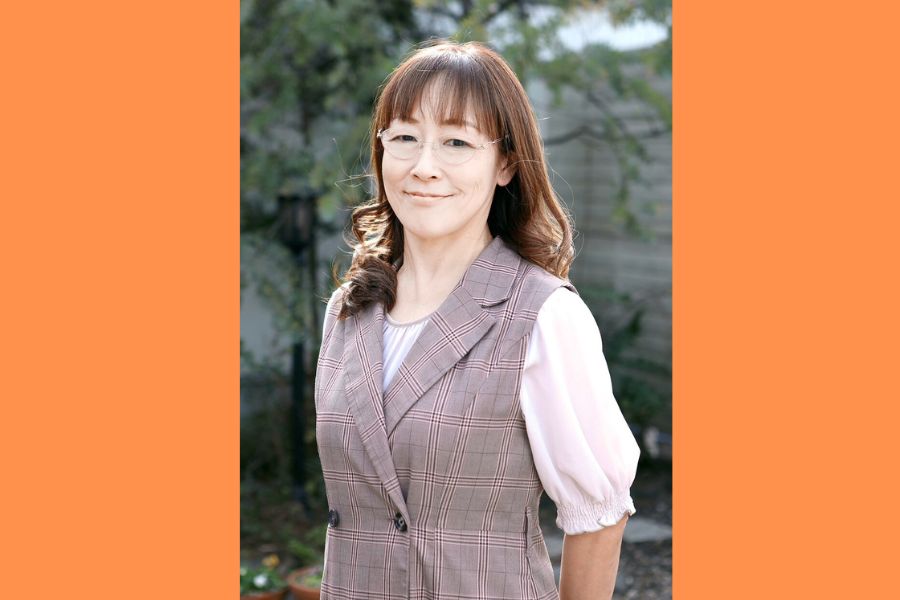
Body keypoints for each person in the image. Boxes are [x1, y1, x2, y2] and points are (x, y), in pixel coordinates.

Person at [314, 39, 640, 600]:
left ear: (505, 163)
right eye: (405, 138)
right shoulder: (348, 310)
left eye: (457, 142)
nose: (424, 167)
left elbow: (599, 515)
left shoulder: (543, 315)